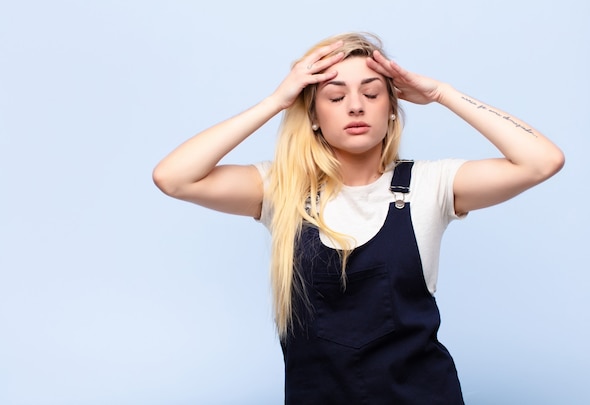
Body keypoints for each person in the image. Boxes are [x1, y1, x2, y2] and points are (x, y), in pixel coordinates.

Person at [153, 32, 564, 404]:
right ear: (313, 115)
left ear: (391, 109)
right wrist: (275, 101)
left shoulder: (429, 184)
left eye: (371, 94)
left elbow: (542, 161)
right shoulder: (281, 189)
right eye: (335, 97)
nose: (355, 106)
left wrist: (442, 93)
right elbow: (173, 177)